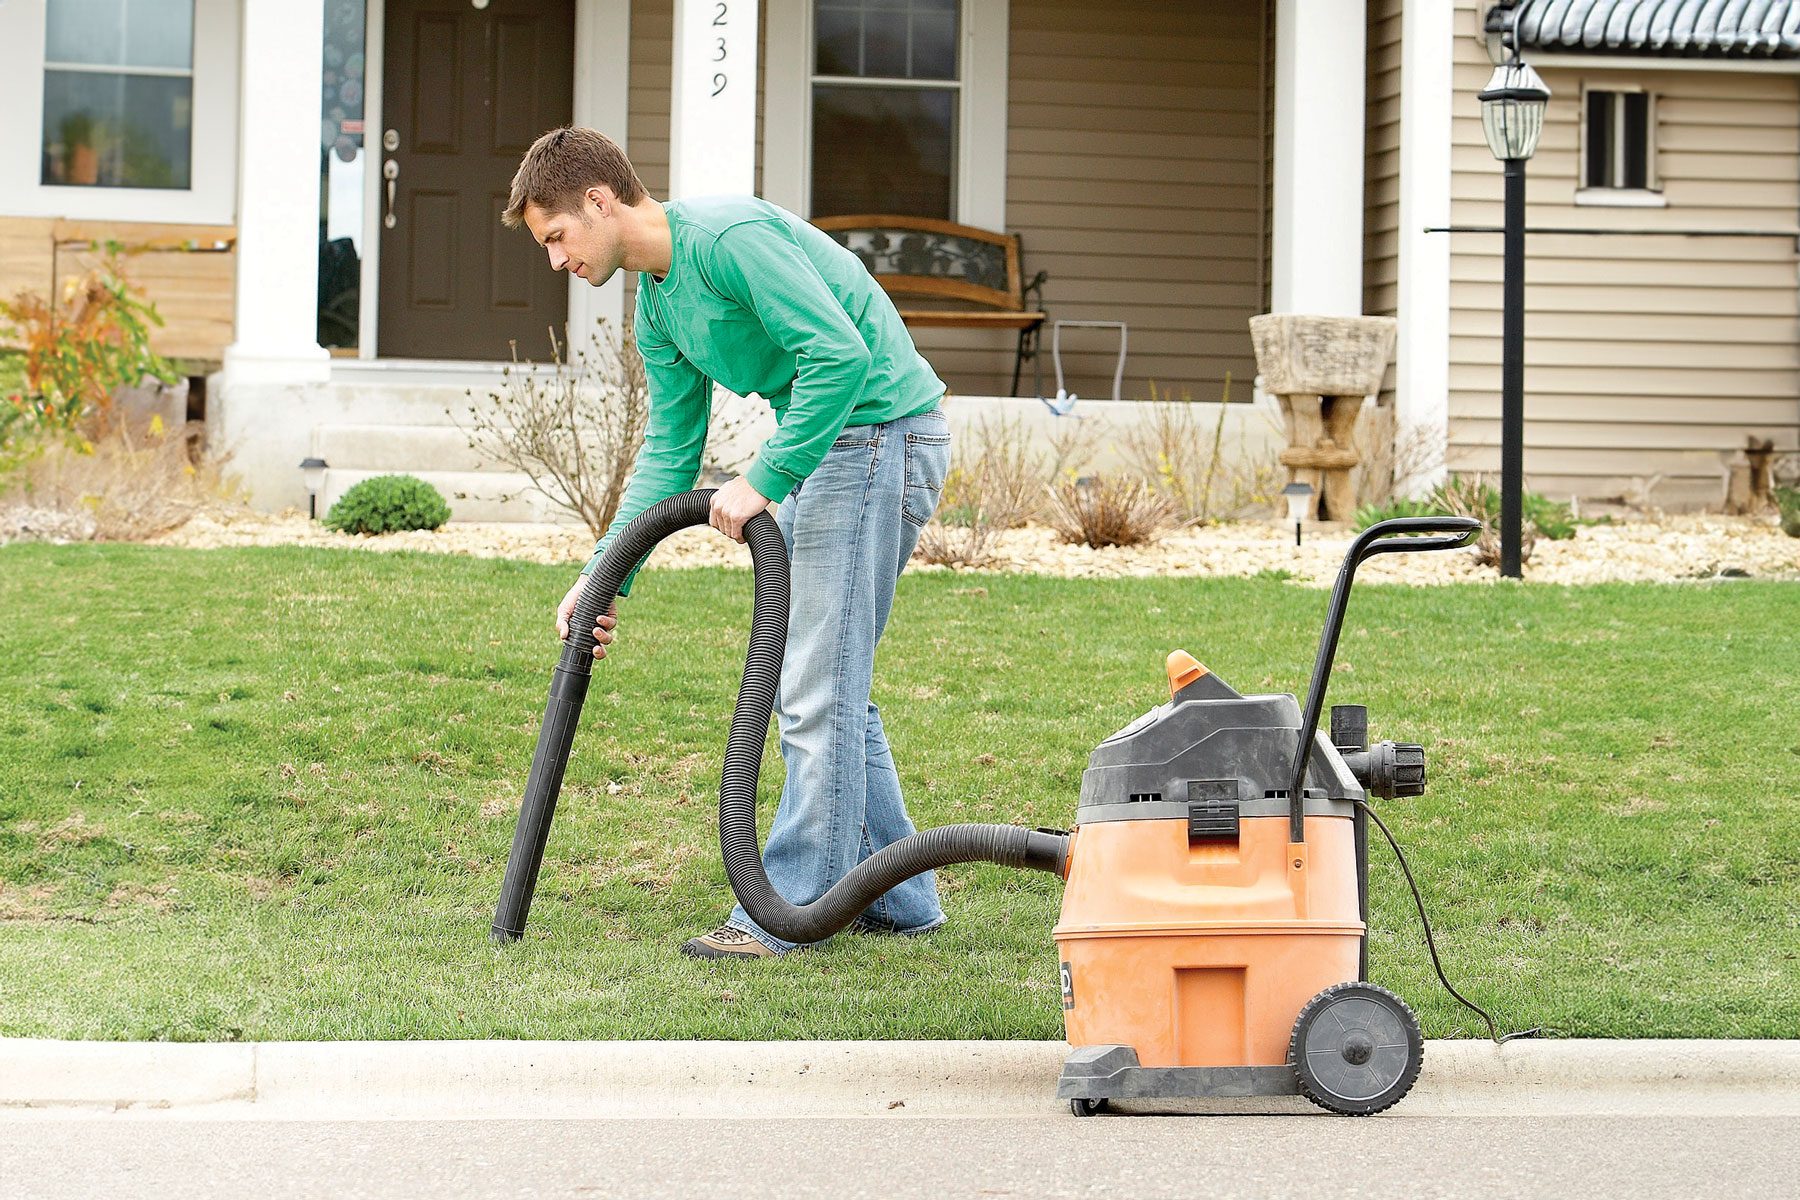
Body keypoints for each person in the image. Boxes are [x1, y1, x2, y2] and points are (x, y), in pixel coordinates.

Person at [502, 127, 953, 958]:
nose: (557, 261)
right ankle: (903, 898)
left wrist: (763, 479)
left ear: (599, 201)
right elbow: (669, 455)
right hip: (839, 441)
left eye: (557, 238)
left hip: (883, 432)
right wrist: (601, 579)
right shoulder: (658, 308)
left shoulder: (728, 241)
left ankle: (784, 914)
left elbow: (839, 357)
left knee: (815, 688)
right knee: (831, 680)